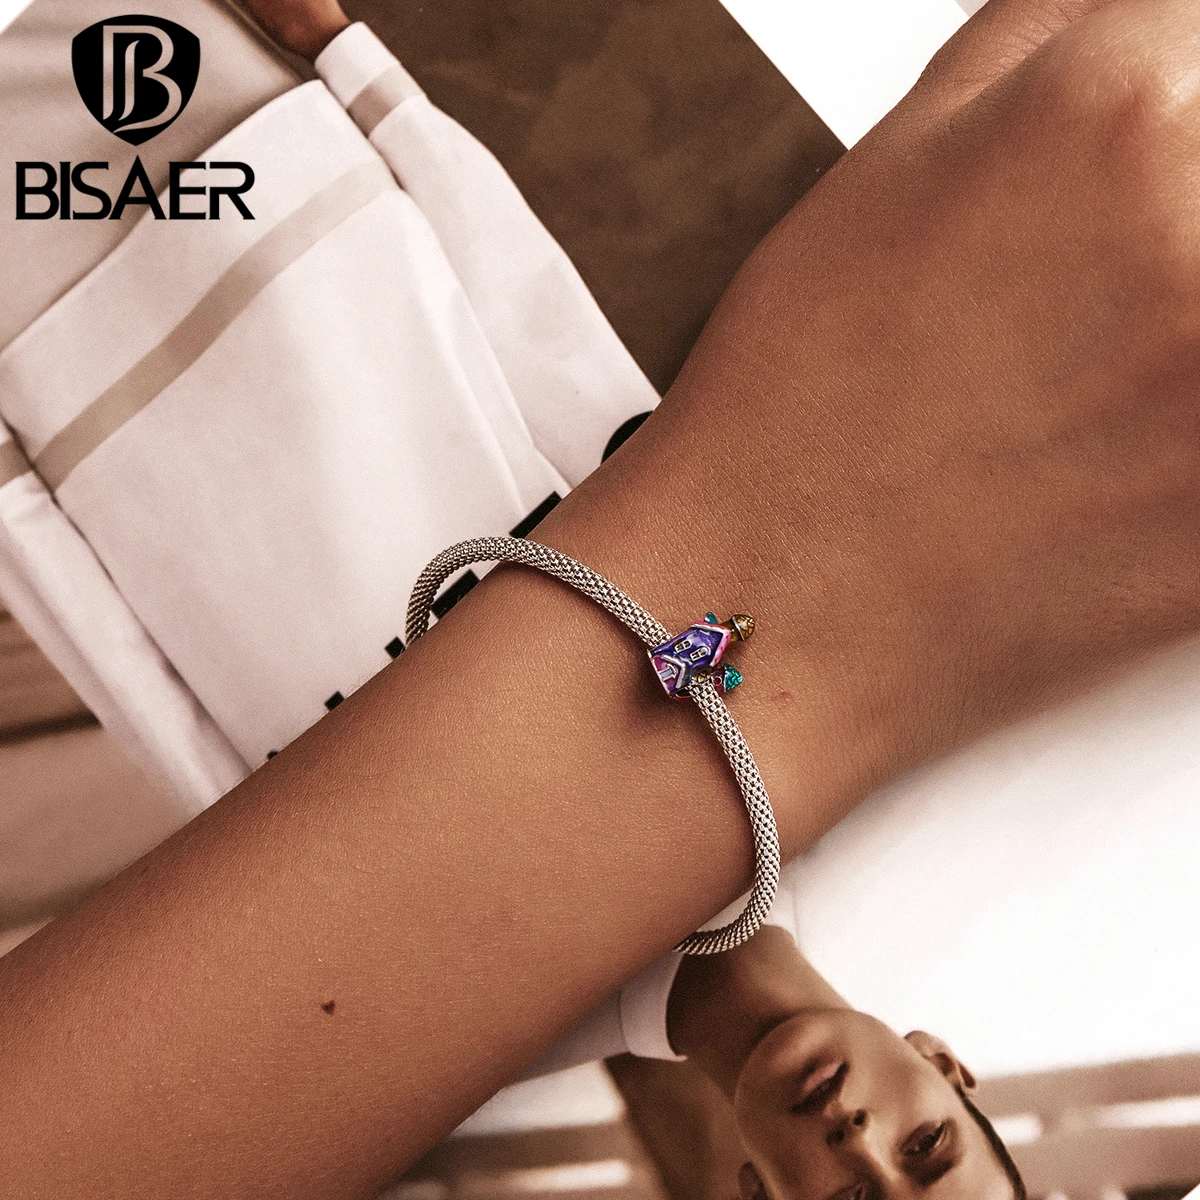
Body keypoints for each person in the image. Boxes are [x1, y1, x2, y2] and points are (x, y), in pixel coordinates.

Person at [3, 0, 1199, 1195]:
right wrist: (348, 65)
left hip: (46, 366)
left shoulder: (425, 1034)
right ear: (942, 1066)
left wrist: (8, 480)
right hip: (284, 183)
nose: (859, 1143)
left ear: (755, 1194)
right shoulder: (769, 705)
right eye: (925, 1150)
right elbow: (534, 326)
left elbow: (170, 727)